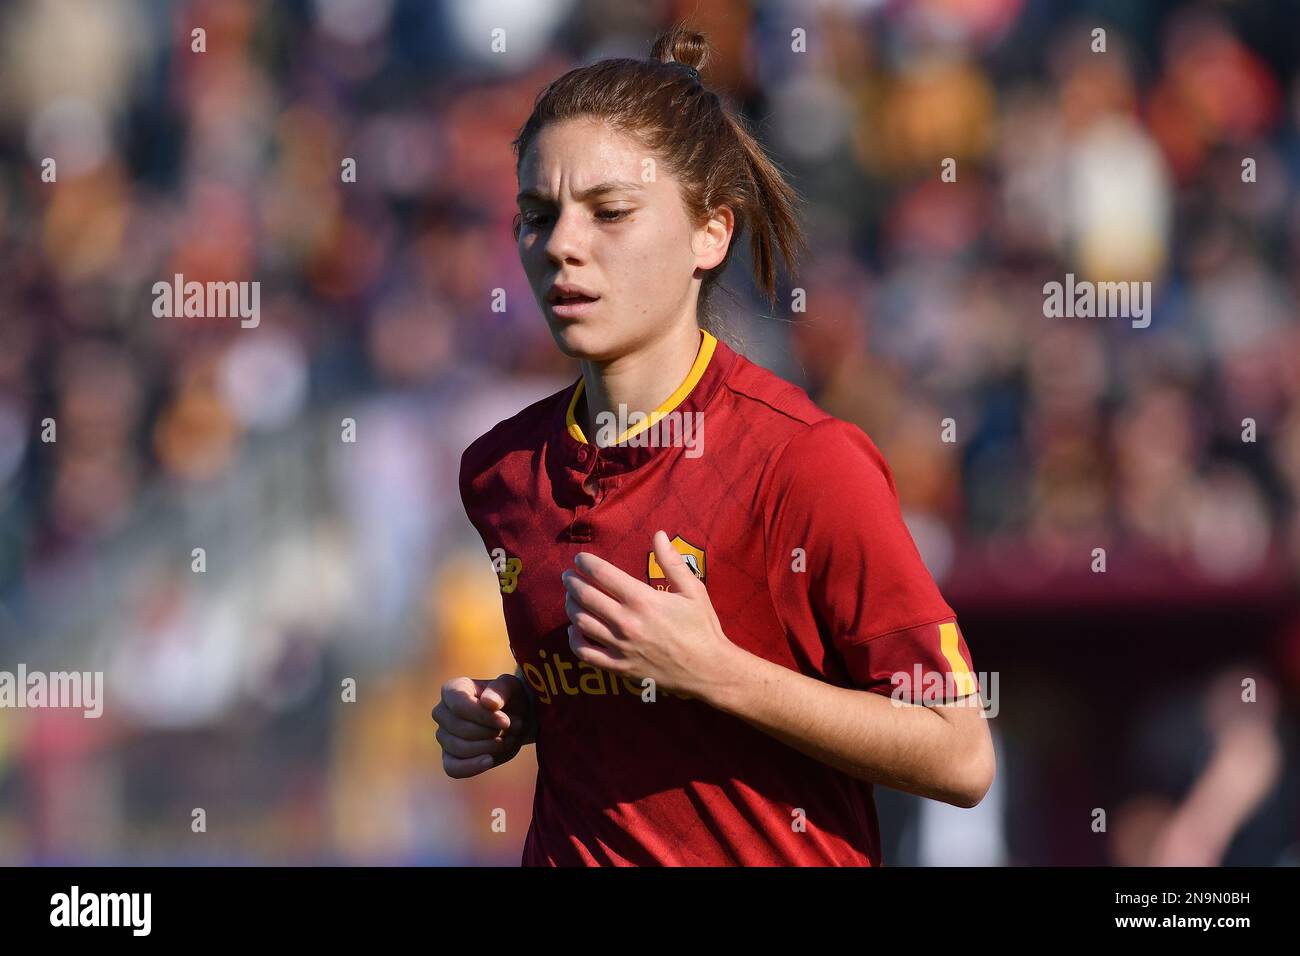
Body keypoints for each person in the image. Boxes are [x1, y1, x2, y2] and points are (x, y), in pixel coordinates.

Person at [434, 24, 995, 866]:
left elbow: (959, 753)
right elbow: (640, 712)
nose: (561, 246)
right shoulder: (502, 470)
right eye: (537, 215)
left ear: (711, 234)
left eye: (611, 212)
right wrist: (521, 707)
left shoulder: (805, 462)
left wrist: (717, 670)